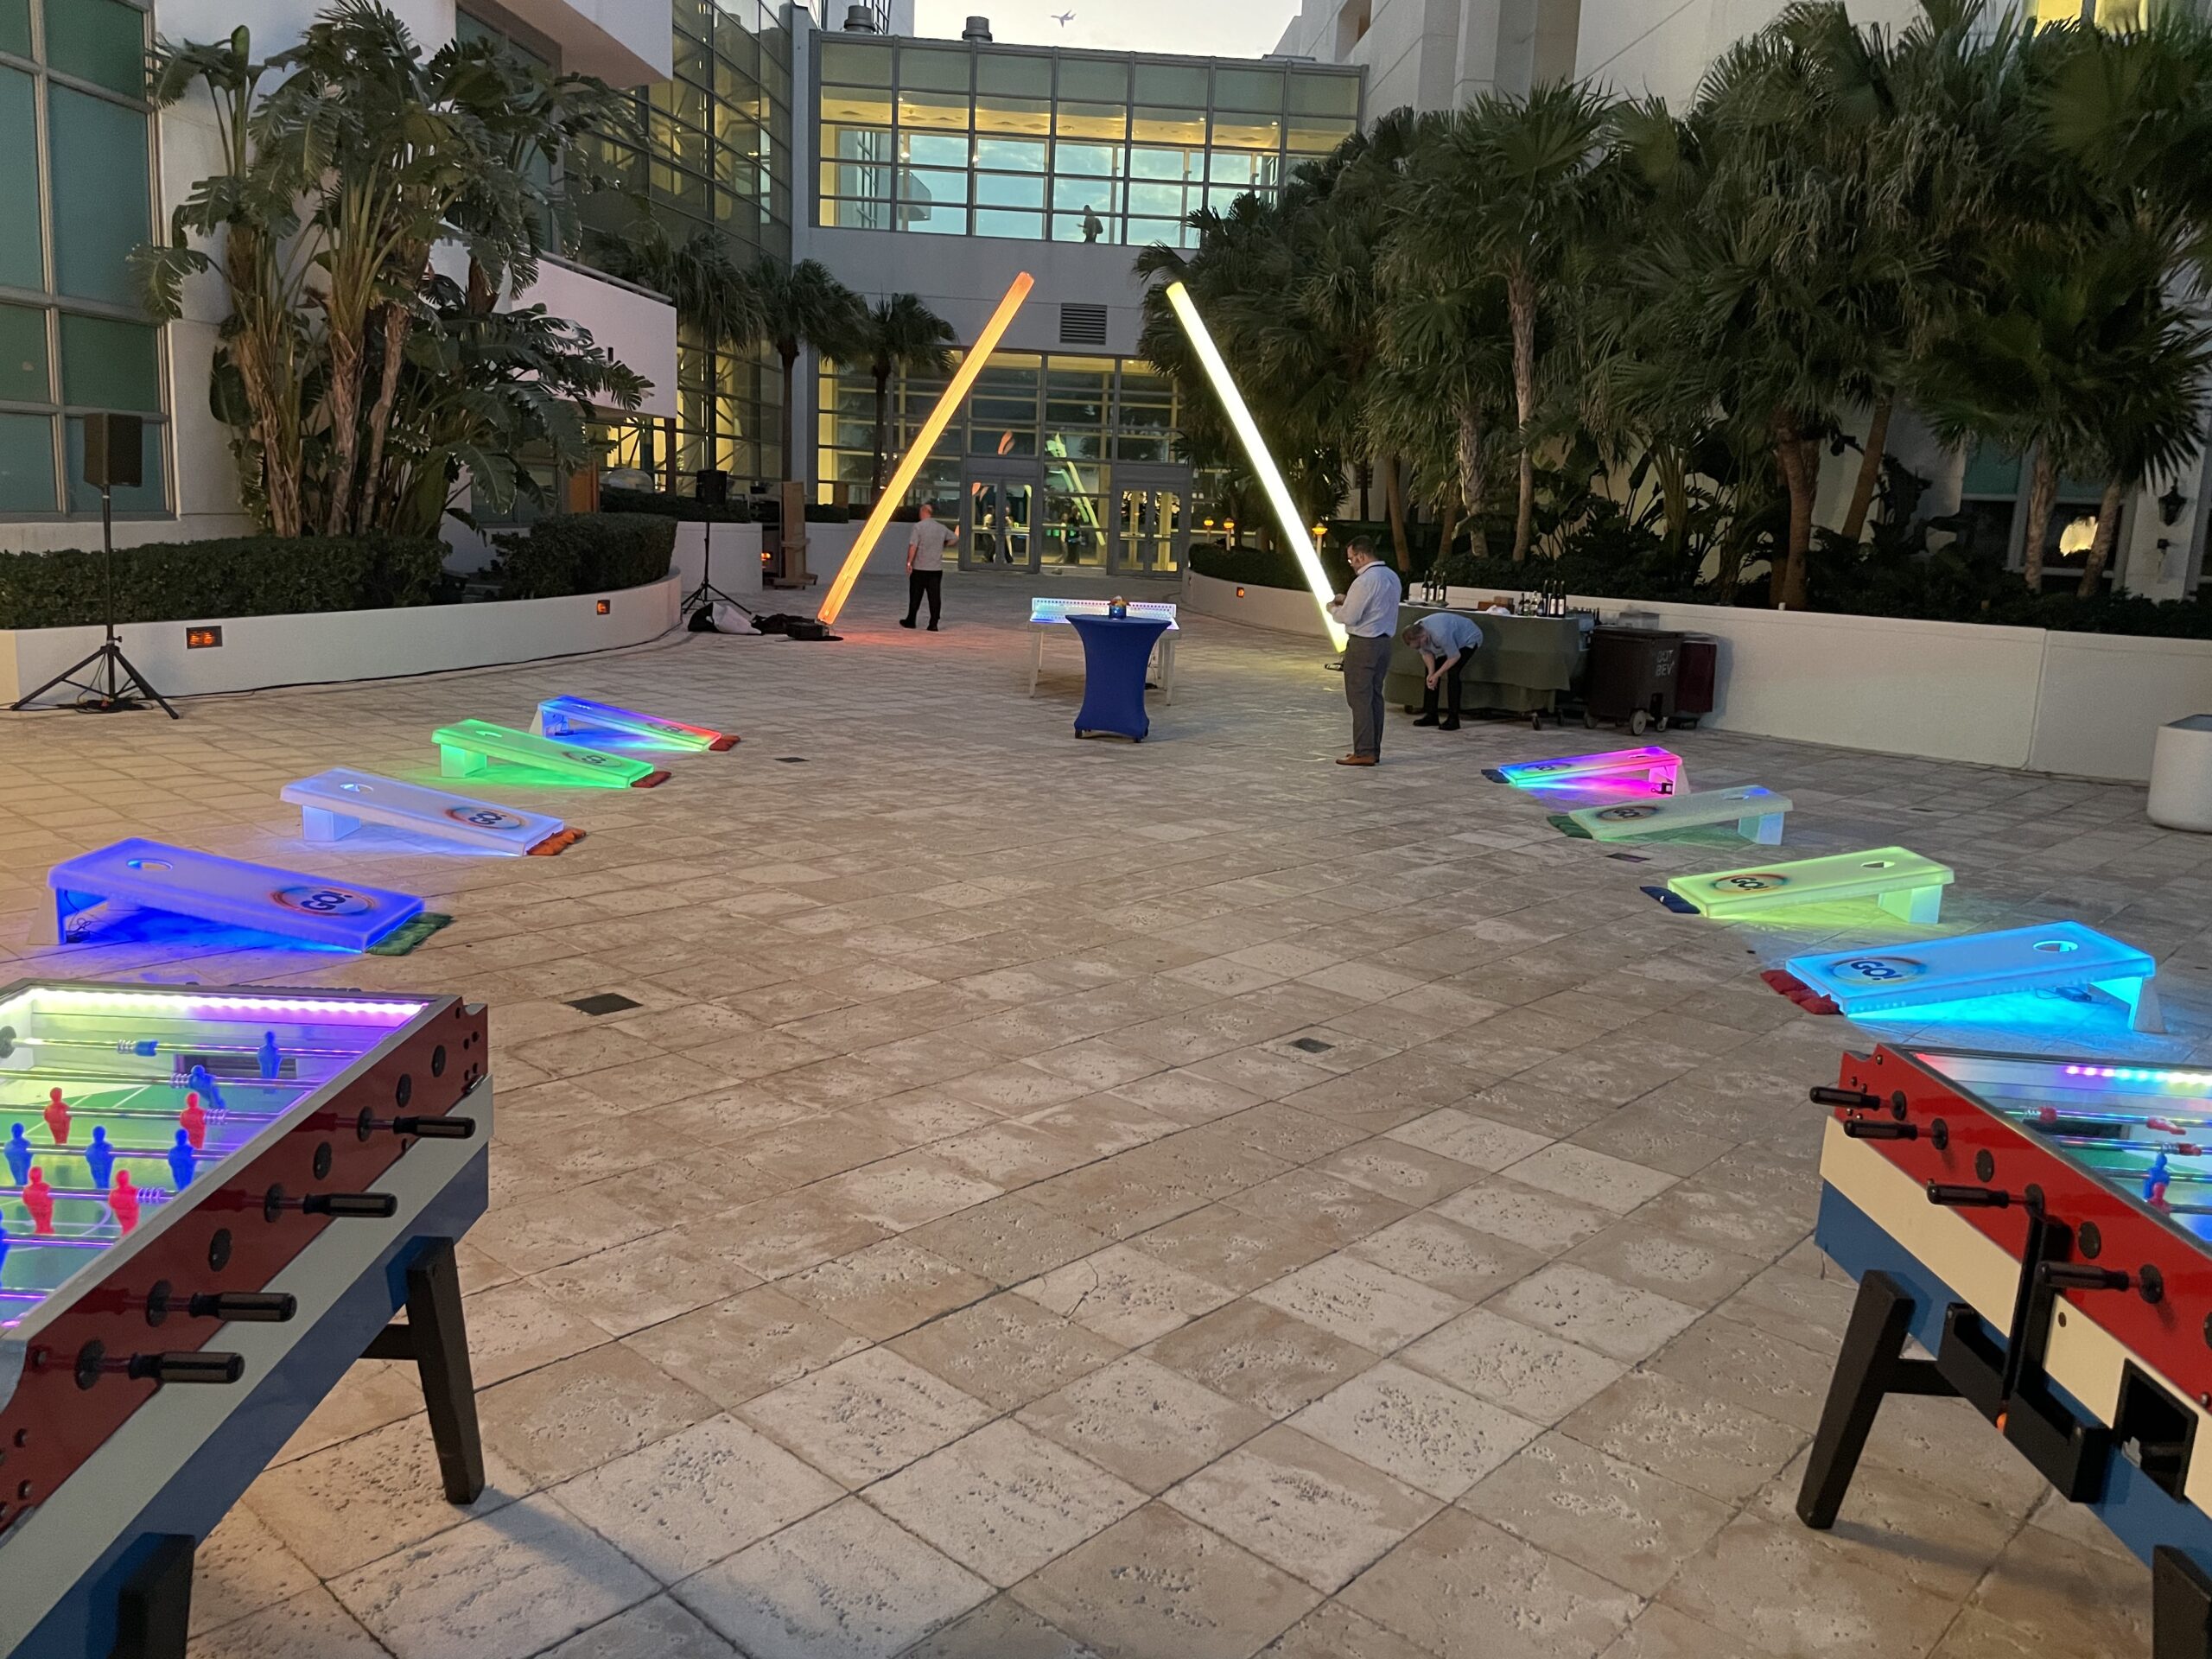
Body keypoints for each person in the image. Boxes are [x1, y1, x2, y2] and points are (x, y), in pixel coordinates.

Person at [1327, 535, 1401, 766]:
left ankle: (1364, 751)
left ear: (1360, 555)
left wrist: (1332, 609)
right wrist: (1348, 600)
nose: (1352, 564)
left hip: (1363, 643)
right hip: (1384, 643)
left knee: (1359, 698)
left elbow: (1350, 616)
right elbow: (1376, 607)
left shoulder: (1365, 580)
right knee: (1375, 698)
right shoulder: (1391, 577)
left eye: (1351, 560)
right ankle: (1372, 749)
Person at [1403, 610, 1483, 730]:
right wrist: (1431, 674)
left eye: (1418, 646)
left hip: (1468, 639)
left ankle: (1453, 719)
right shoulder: (1417, 631)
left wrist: (1437, 674)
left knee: (1453, 672)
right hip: (1448, 643)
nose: (1419, 648)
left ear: (1423, 637)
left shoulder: (1440, 634)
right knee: (1430, 675)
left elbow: (1455, 656)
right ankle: (1431, 714)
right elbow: (1426, 653)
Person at [902, 502, 956, 630]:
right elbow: (954, 538)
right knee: (934, 597)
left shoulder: (919, 527)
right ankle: (933, 623)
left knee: (915, 596)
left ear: (923, 512)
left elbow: (913, 545)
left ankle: (911, 620)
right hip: (935, 569)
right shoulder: (941, 527)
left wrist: (909, 562)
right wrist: (944, 545)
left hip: (920, 567)